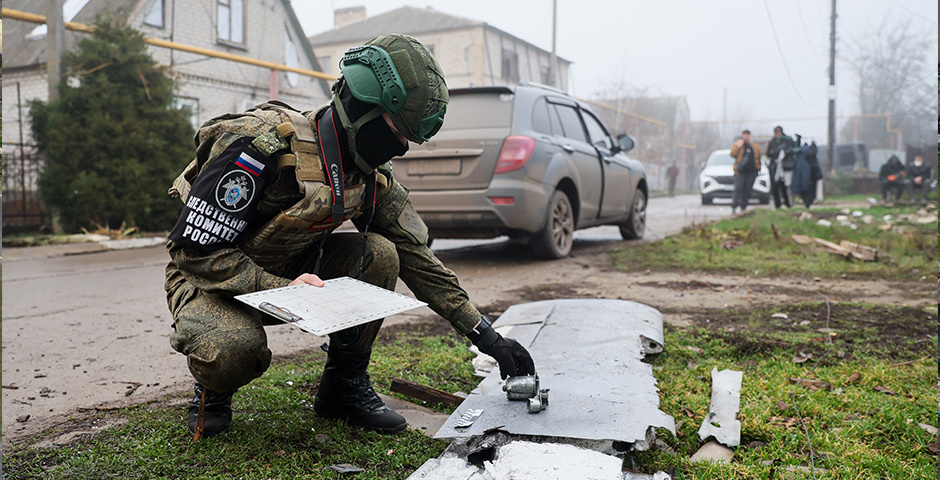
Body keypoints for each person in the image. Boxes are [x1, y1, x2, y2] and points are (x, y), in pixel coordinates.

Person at [163, 34, 536, 438]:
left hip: (293, 276)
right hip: (210, 281)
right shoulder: (261, 146)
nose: (402, 147)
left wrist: (487, 336)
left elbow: (416, 256)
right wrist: (280, 287)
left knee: (381, 252)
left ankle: (343, 387)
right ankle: (214, 393)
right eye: (398, 132)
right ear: (363, 109)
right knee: (234, 349)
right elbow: (194, 252)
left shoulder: (369, 173)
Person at [728, 129, 762, 214]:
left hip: (751, 171)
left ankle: (743, 207)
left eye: (747, 135)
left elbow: (758, 157)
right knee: (739, 188)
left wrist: (758, 168)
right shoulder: (738, 145)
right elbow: (732, 154)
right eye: (744, 135)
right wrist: (739, 146)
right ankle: (734, 205)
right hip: (740, 171)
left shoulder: (754, 146)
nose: (746, 137)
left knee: (748, 190)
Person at [764, 126, 794, 209]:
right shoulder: (772, 141)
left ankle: (788, 203)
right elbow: (768, 153)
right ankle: (777, 205)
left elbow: (791, 150)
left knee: (785, 186)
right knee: (774, 186)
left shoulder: (787, 140)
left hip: (784, 166)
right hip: (774, 167)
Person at [790, 142, 823, 208]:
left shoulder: (800, 156)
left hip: (804, 181)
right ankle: (808, 204)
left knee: (805, 192)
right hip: (811, 178)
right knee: (811, 192)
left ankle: (806, 203)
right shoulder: (812, 157)